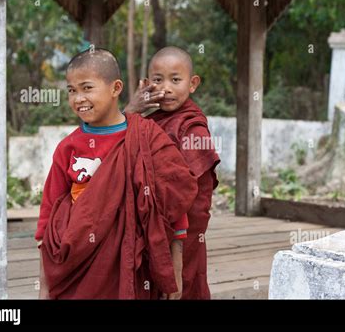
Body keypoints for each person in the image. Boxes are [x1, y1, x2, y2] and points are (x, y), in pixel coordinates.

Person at [35, 48, 198, 299]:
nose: (78, 98)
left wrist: (175, 267)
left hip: (132, 257)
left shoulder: (147, 137)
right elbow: (48, 216)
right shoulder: (67, 147)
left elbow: (173, 204)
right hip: (78, 260)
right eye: (71, 90)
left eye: (87, 88)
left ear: (115, 88)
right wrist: (44, 285)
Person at [125, 46, 220, 299]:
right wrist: (131, 109)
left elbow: (194, 197)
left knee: (183, 287)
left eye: (175, 80)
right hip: (150, 227)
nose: (166, 88)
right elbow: (113, 146)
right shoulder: (147, 120)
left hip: (182, 234)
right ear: (146, 83)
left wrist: (178, 239)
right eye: (158, 80)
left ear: (193, 83)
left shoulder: (192, 128)